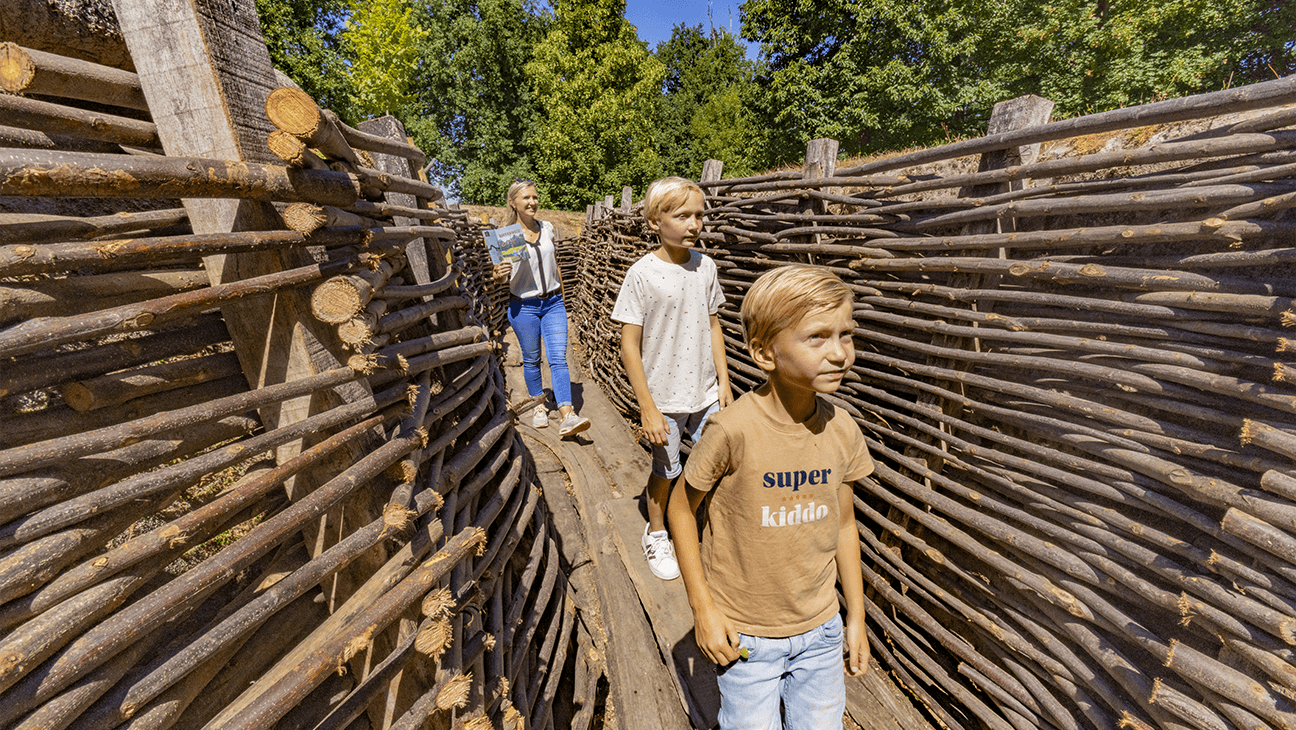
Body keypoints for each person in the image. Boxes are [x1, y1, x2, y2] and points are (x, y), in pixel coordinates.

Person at [667, 265, 873, 729]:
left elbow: (843, 524)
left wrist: (854, 617)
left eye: (846, 334)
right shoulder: (731, 430)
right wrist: (703, 608)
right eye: (817, 337)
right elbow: (680, 508)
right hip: (747, 636)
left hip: (821, 631)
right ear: (763, 352)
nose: (839, 353)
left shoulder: (843, 430)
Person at [612, 176, 731, 581]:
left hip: (705, 392)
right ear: (655, 221)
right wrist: (647, 407)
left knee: (716, 462)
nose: (694, 224)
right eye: (682, 215)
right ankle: (657, 529)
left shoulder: (706, 267)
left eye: (699, 215)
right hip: (663, 396)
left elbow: (714, 326)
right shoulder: (641, 274)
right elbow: (630, 345)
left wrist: (725, 381)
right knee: (666, 470)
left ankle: (696, 523)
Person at [492, 179, 590, 438]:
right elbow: (500, 277)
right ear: (513, 202)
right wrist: (499, 273)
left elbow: (555, 264)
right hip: (524, 306)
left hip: (553, 303)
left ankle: (568, 414)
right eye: (526, 198)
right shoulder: (505, 235)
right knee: (532, 358)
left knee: (558, 357)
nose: (532, 202)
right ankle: (538, 405)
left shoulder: (547, 228)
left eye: (535, 197)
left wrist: (563, 301)